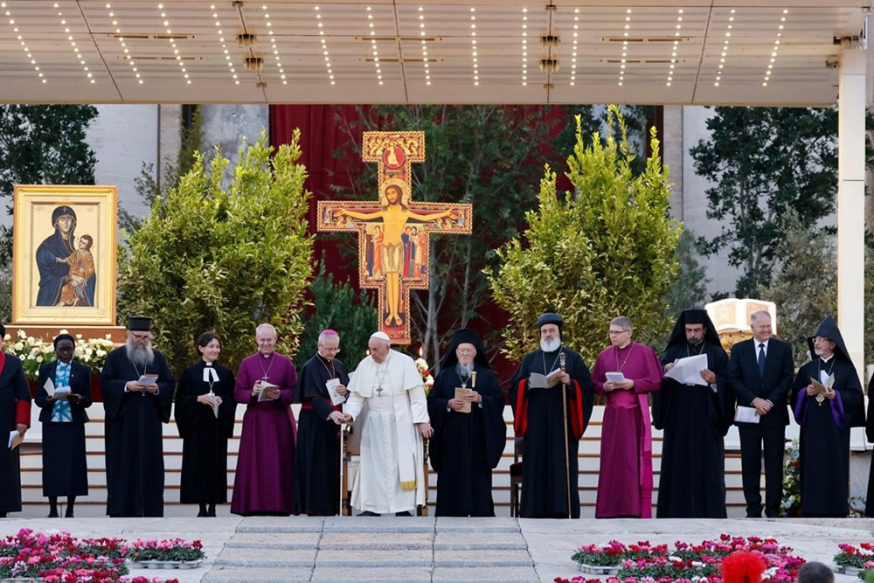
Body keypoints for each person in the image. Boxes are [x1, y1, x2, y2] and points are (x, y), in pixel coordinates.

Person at [509, 312, 594, 519]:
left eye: (551, 331)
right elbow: (514, 388)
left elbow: (588, 389)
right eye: (544, 331)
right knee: (536, 464)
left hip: (562, 423)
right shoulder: (530, 359)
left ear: (559, 333)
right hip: (536, 423)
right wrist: (527, 384)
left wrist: (571, 383)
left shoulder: (572, 358)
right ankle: (534, 509)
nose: (547, 334)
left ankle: (563, 508)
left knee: (561, 464)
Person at [336, 181, 456, 327]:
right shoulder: (384, 211)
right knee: (389, 280)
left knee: (396, 282)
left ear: (399, 194)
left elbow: (424, 218)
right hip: (385, 248)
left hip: (398, 248)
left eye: (393, 193)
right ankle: (392, 312)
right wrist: (347, 212)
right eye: (388, 193)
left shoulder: (404, 212)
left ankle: (395, 313)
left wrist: (445, 213)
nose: (391, 196)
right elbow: (365, 217)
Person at [339, 331, 431, 516]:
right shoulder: (365, 365)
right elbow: (357, 396)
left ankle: (402, 508)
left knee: (399, 466)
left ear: (388, 348)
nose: (373, 353)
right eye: (371, 349)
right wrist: (349, 413)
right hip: (374, 424)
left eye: (376, 349)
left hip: (401, 423)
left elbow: (417, 396)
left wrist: (422, 421)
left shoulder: (404, 362)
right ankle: (372, 508)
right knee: (373, 467)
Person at [653, 308, 733, 518]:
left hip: (707, 418)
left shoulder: (716, 353)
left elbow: (729, 384)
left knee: (707, 467)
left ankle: (710, 513)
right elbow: (658, 379)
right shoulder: (673, 351)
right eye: (689, 330)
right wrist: (666, 371)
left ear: (705, 330)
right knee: (677, 465)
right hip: (678, 417)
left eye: (697, 330)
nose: (692, 335)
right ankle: (674, 513)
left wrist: (715, 382)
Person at [100, 316, 175, 517]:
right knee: (123, 465)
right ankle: (122, 508)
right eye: (138, 337)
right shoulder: (115, 357)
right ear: (129, 335)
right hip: (123, 424)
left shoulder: (157, 358)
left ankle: (150, 507)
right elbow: (106, 384)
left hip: (149, 422)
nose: (141, 341)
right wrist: (126, 386)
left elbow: (169, 383)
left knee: (150, 464)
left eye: (145, 337)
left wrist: (157, 388)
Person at [427, 328, 505, 517]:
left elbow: (498, 400)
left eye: (469, 350)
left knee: (478, 480)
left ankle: (480, 512)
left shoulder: (485, 375)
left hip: (477, 440)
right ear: (455, 352)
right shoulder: (445, 375)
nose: (465, 354)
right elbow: (432, 402)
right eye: (462, 350)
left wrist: (481, 400)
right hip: (451, 441)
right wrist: (448, 404)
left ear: (475, 353)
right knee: (451, 481)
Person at [591, 316, 663, 519]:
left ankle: (633, 508)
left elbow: (656, 381)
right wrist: (604, 387)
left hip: (634, 415)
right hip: (613, 416)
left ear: (629, 333)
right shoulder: (605, 355)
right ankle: (609, 509)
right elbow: (594, 383)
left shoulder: (644, 352)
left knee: (633, 461)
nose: (612, 336)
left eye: (616, 332)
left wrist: (633, 384)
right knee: (611, 461)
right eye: (611, 332)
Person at [792, 316, 863, 517]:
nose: (817, 342)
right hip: (812, 429)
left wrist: (835, 395)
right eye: (815, 339)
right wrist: (805, 393)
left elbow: (855, 395)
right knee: (812, 467)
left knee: (834, 467)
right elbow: (795, 396)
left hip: (834, 431)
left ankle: (837, 509)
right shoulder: (807, 369)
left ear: (832, 344)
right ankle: (811, 508)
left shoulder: (846, 369)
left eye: (821, 339)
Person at [727, 310, 794, 518]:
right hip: (749, 414)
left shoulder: (783, 349)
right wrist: (754, 400)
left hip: (775, 414)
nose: (766, 330)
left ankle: (773, 509)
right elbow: (733, 378)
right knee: (750, 462)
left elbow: (787, 378)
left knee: (775, 463)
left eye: (769, 326)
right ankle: (753, 510)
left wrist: (770, 401)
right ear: (752, 328)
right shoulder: (739, 349)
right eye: (762, 326)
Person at [231, 323, 298, 516]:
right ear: (256, 340)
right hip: (256, 421)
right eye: (262, 340)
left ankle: (281, 505)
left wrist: (279, 394)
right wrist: (252, 392)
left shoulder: (285, 363)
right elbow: (238, 392)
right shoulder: (247, 363)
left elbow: (294, 391)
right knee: (254, 462)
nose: (266, 343)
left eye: (269, 340)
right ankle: (252, 506)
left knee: (280, 461)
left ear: (276, 339)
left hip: (279, 421)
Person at [175, 332, 237, 517]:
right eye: (211, 346)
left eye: (217, 347)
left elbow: (232, 399)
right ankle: (201, 506)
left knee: (215, 466)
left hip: (216, 429)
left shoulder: (226, 374)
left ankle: (213, 506)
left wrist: (221, 399)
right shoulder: (190, 373)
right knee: (198, 466)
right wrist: (198, 399)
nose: (215, 350)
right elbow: (181, 400)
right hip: (197, 427)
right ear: (201, 348)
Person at [35, 333, 92, 518]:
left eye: (69, 349)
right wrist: (48, 400)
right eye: (62, 349)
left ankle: (70, 509)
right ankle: (52, 509)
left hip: (72, 424)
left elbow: (88, 399)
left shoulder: (82, 370)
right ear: (55, 350)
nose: (66, 353)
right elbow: (38, 398)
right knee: (52, 466)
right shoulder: (46, 369)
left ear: (74, 350)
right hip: (52, 424)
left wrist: (78, 399)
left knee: (73, 466)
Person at [295, 329, 350, 516]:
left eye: (336, 349)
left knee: (331, 466)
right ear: (319, 346)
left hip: (333, 422)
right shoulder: (310, 367)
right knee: (316, 465)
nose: (332, 353)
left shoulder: (338, 365)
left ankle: (333, 506)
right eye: (328, 349)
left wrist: (345, 391)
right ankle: (314, 507)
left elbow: (347, 391)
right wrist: (330, 413)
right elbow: (313, 397)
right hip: (314, 424)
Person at [0, 321, 31, 518]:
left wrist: (22, 422)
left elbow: (24, 395)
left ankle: (2, 507)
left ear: (2, 341)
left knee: (5, 466)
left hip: (6, 423)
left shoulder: (13, 363)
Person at [35, 205, 95, 307]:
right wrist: (69, 277)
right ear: (56, 223)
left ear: (73, 223)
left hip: (79, 295)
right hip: (52, 297)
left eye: (69, 219)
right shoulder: (46, 248)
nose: (66, 223)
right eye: (62, 220)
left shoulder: (79, 245)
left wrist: (81, 280)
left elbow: (90, 271)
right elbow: (47, 279)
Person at [56, 234, 95, 307]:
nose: (81, 244)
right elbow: (69, 259)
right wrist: (61, 260)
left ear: (87, 246)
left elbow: (90, 268)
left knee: (76, 286)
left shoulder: (88, 255)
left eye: (84, 243)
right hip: (74, 272)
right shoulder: (76, 252)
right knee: (66, 288)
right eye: (81, 241)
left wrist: (83, 271)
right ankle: (66, 301)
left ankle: (76, 298)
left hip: (82, 275)